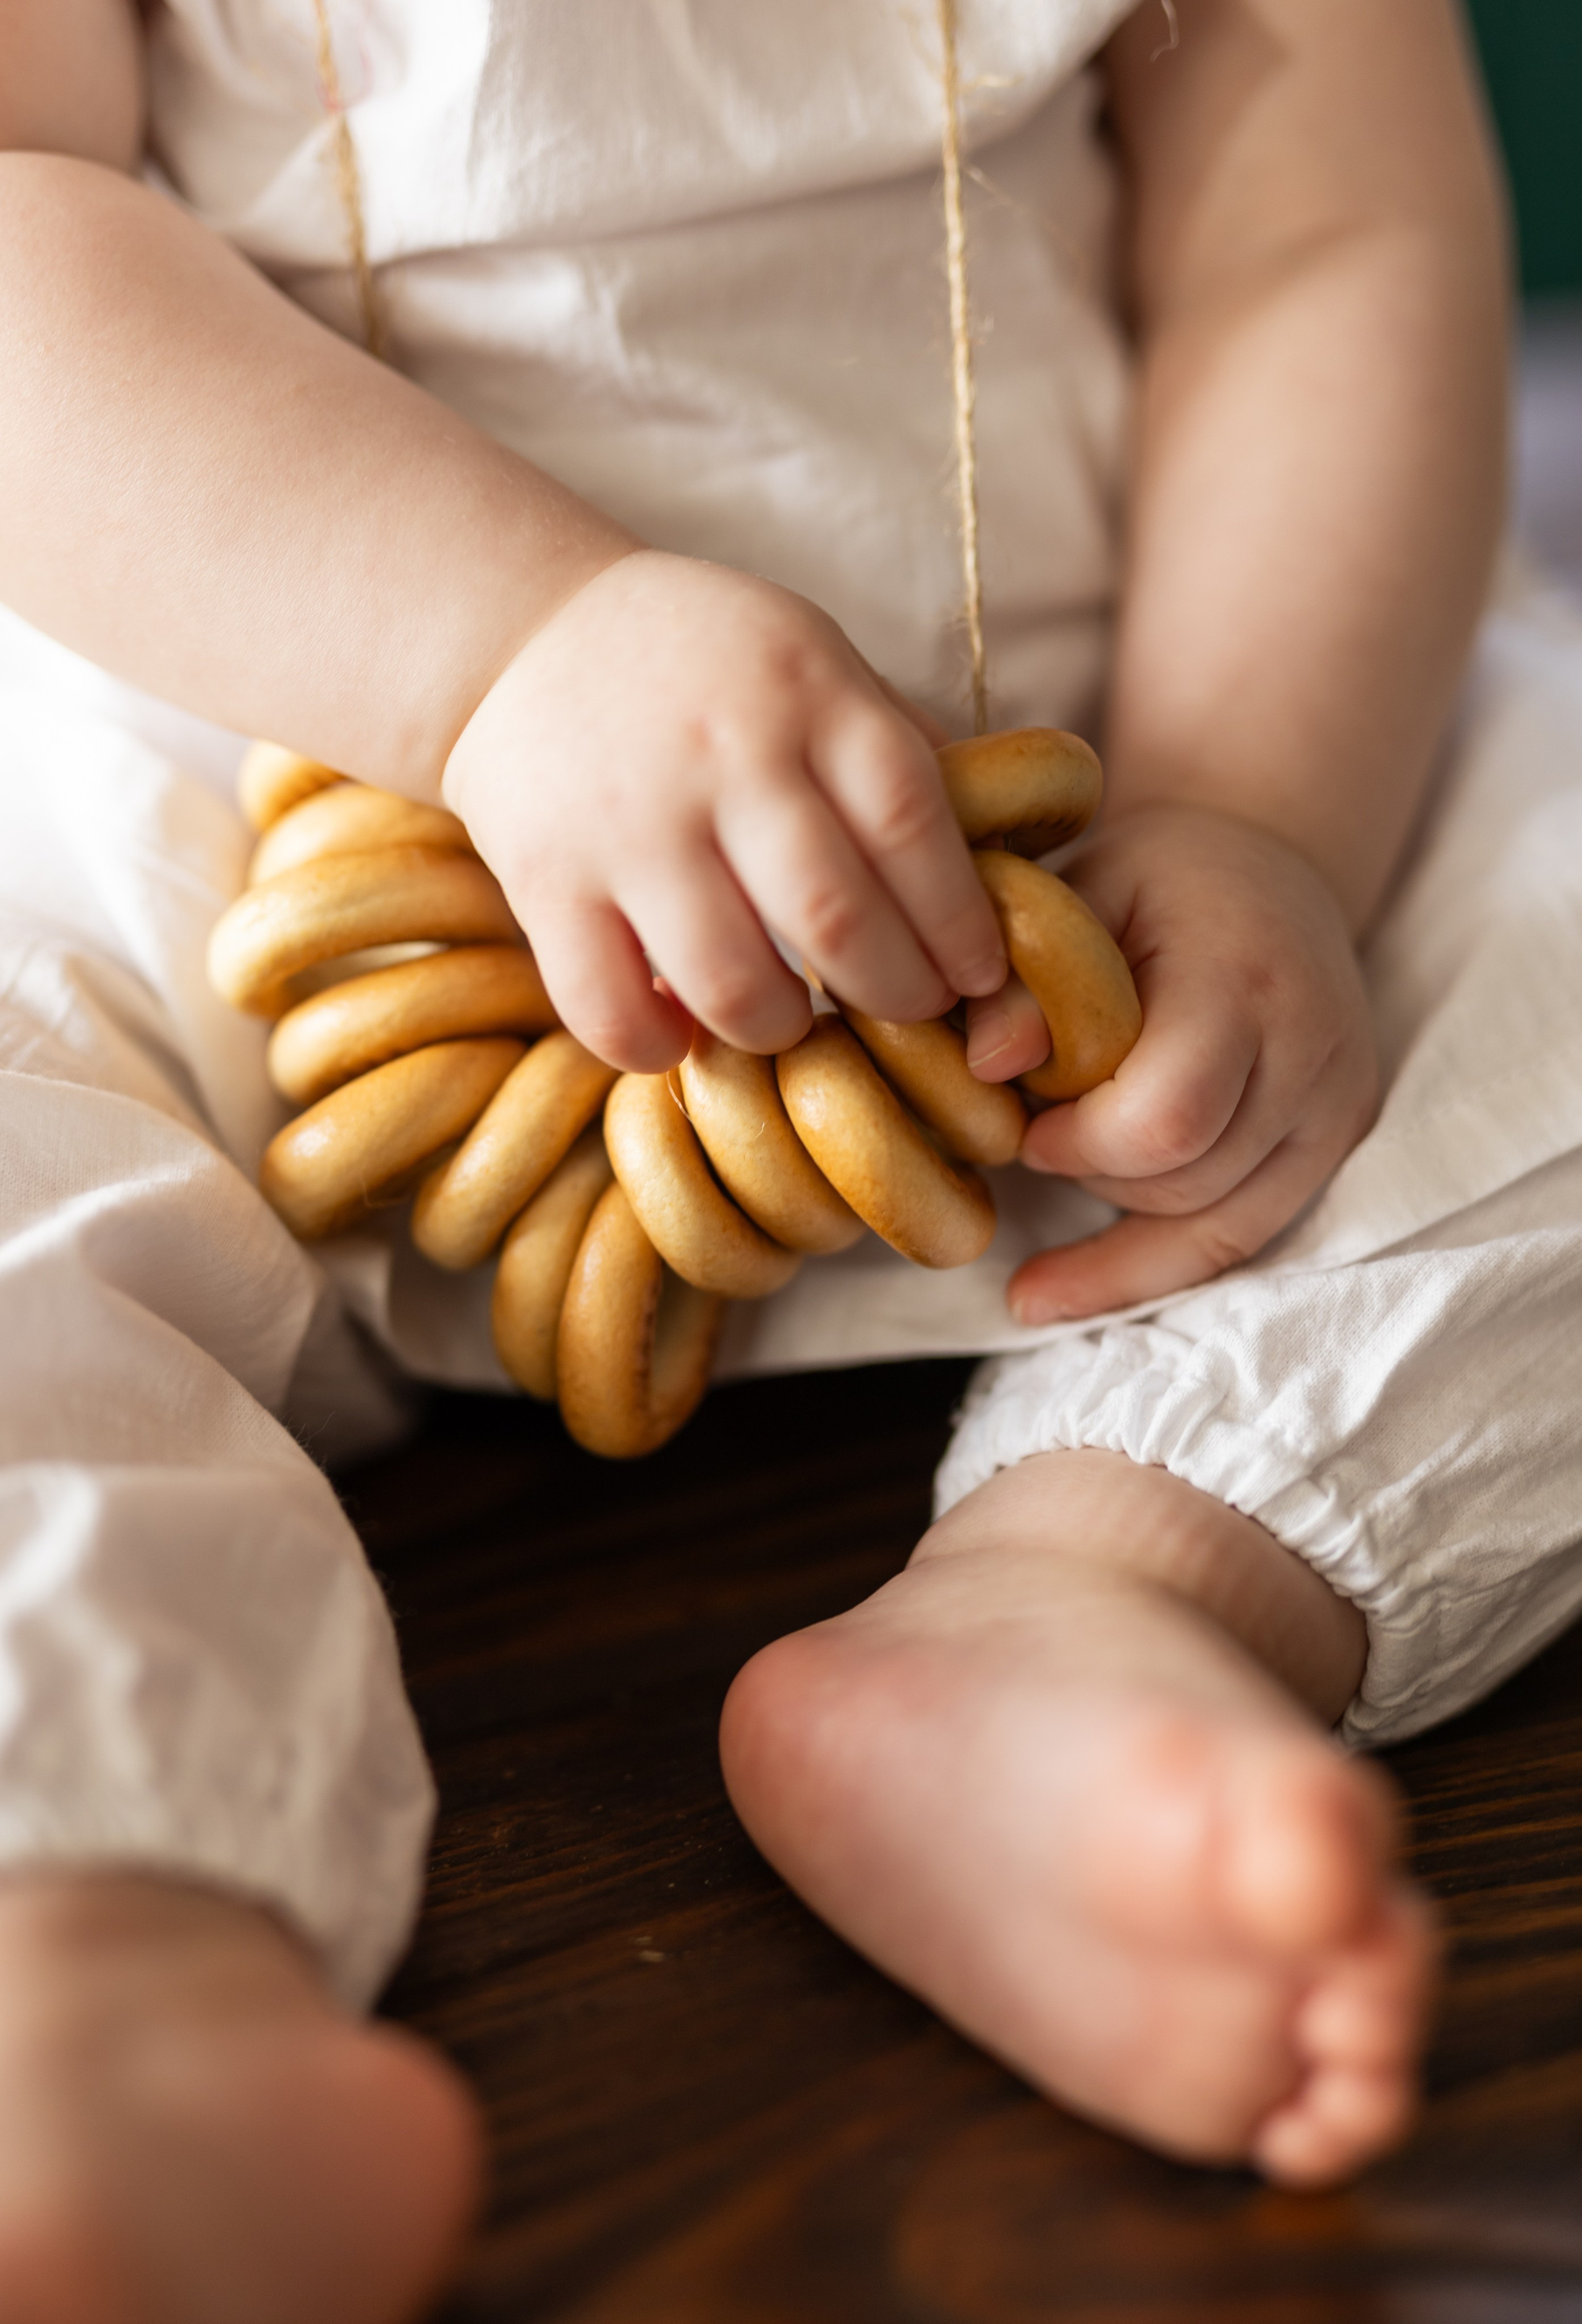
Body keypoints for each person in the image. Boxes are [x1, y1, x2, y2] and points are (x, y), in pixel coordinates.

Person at [4, 0, 1580, 2314]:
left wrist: (1266, 811)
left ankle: (1114, 1587)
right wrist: (505, 648)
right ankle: (89, 1899)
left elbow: (1324, 227)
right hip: (230, 854)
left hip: (1082, 863)